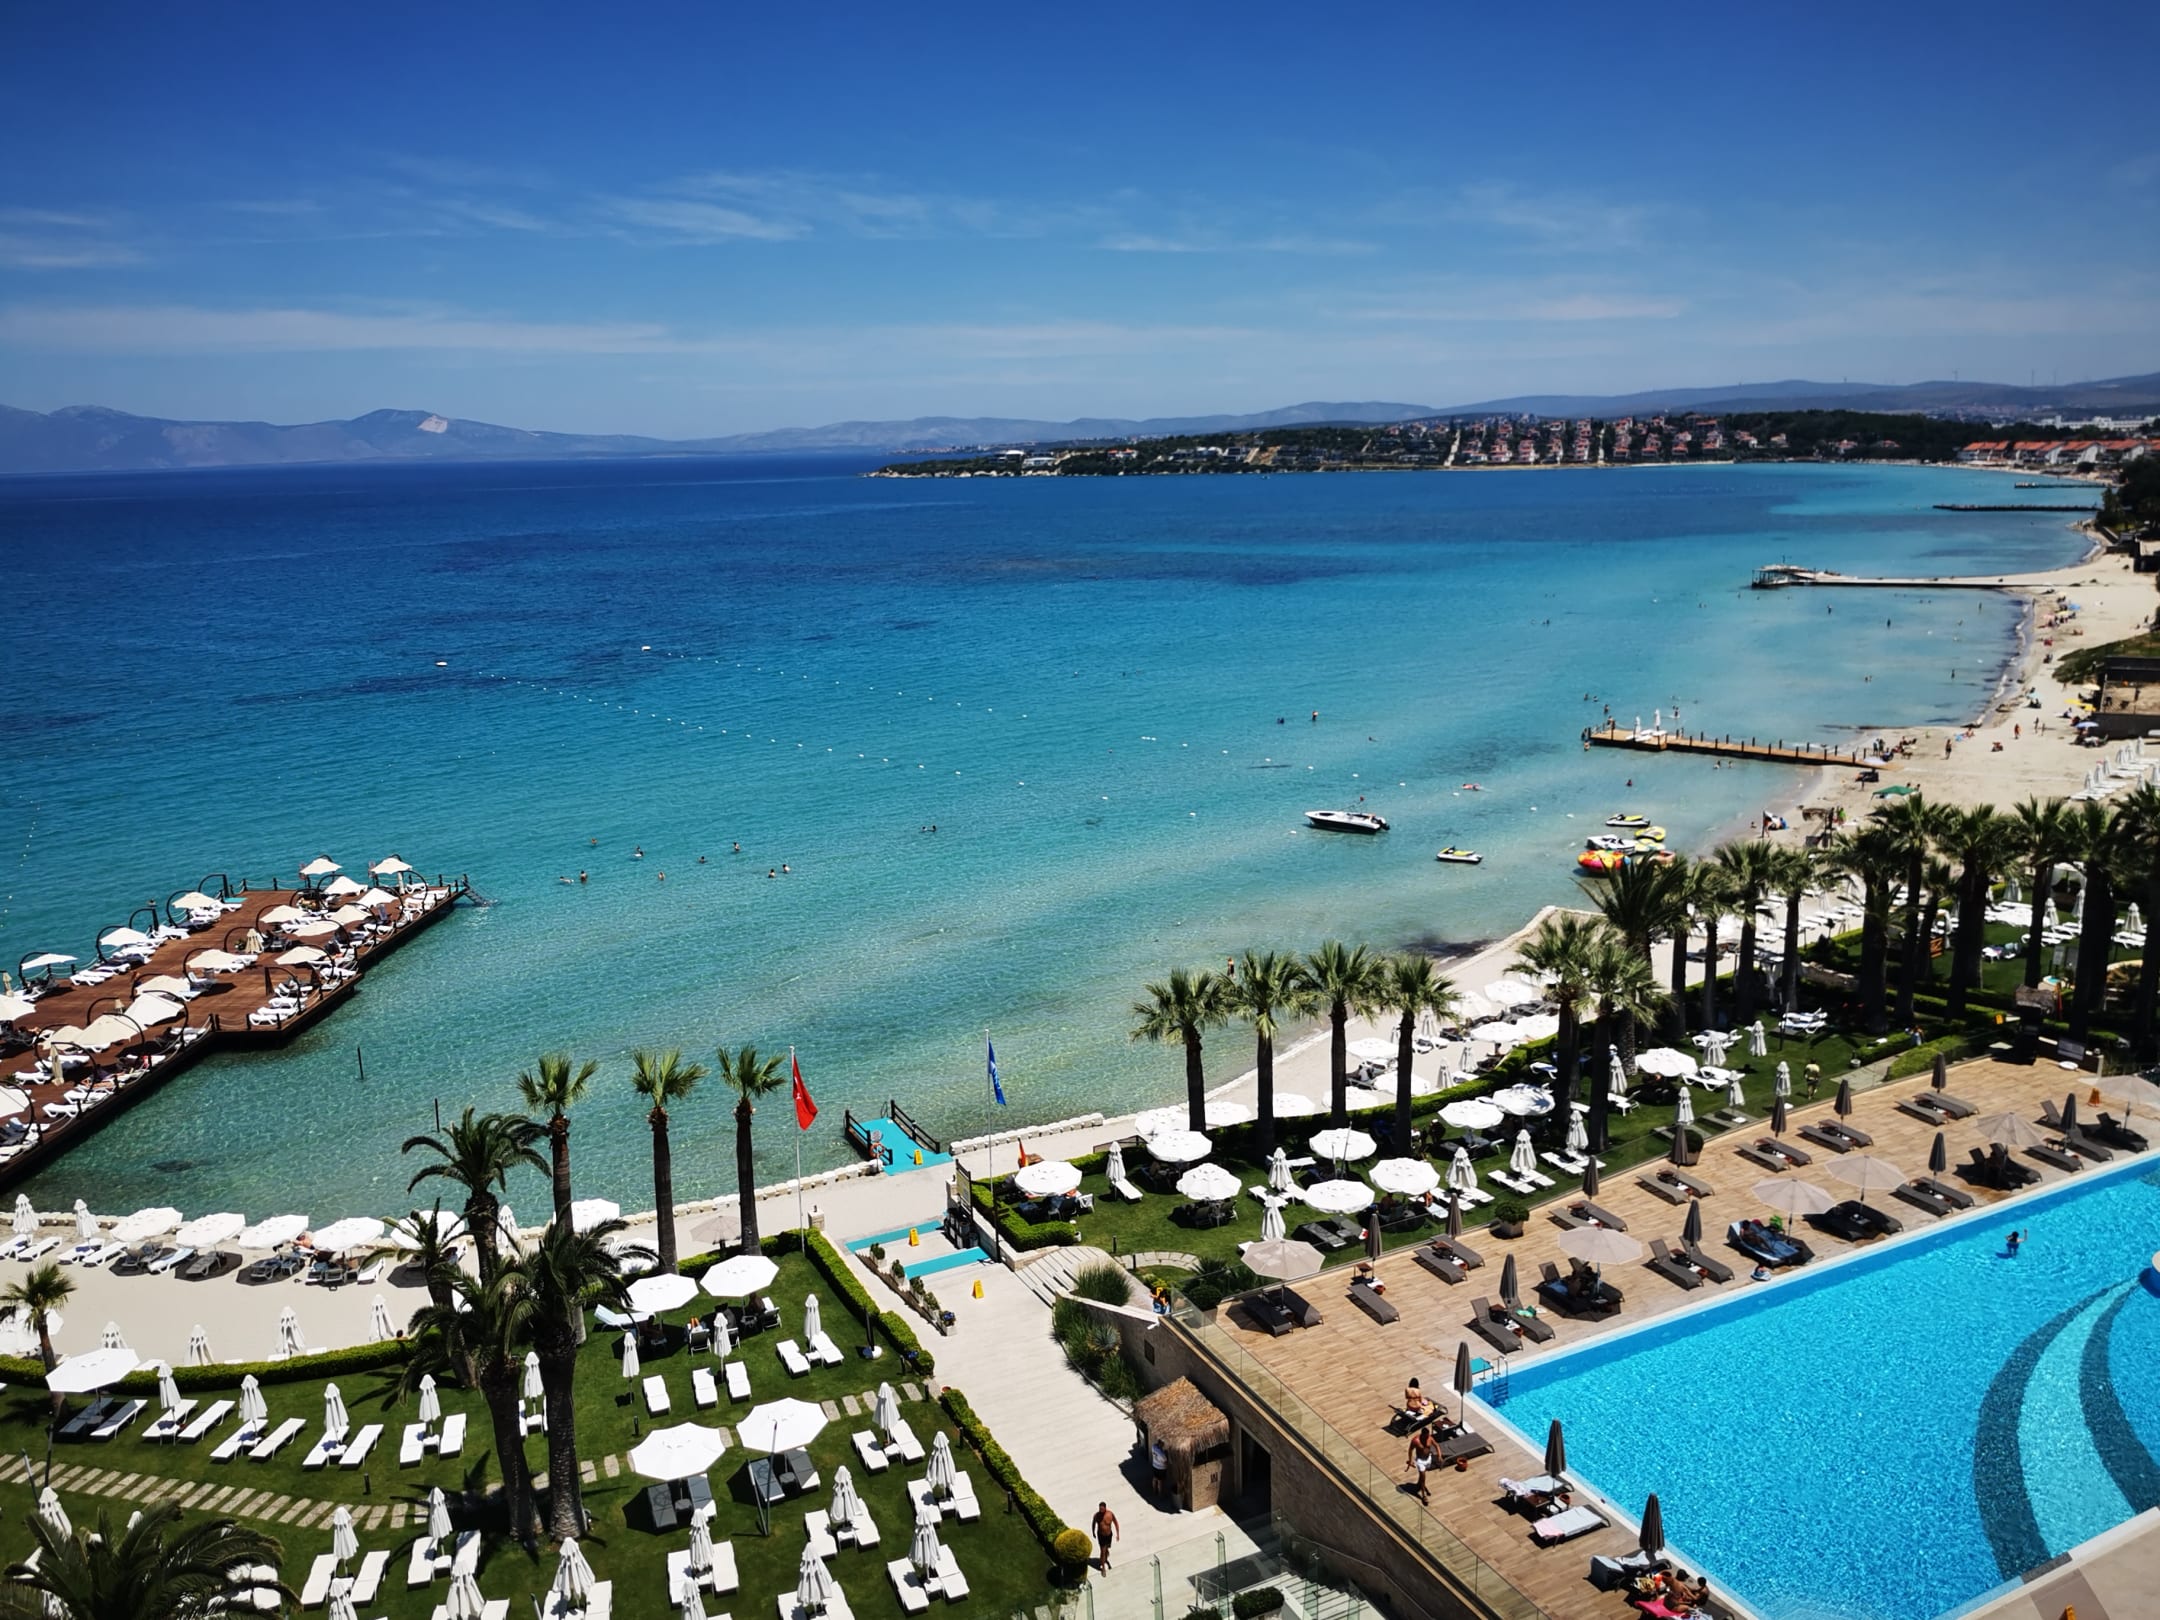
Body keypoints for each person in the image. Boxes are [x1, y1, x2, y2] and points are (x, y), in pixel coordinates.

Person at [1407, 1425, 1440, 1504]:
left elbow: (1436, 1445)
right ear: (1422, 1435)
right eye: (1426, 1436)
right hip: (1420, 1461)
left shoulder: (1429, 1438)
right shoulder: (1416, 1441)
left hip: (1428, 1459)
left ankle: (1419, 1484)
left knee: (1422, 1476)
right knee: (1423, 1477)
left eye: (1428, 1435)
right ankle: (1423, 1495)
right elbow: (1410, 1450)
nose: (1427, 1437)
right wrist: (1410, 1460)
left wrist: (1439, 1455)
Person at [1090, 1501, 1119, 1572]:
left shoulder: (1110, 1514)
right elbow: (1093, 1524)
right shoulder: (1097, 1516)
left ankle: (1106, 1552)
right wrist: (1093, 1532)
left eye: (1102, 1509)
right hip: (1101, 1536)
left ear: (1105, 1508)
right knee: (1102, 1552)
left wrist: (1118, 1534)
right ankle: (1103, 1567)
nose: (1101, 1510)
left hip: (1109, 1535)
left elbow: (1115, 1522)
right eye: (1100, 1509)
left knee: (1107, 1548)